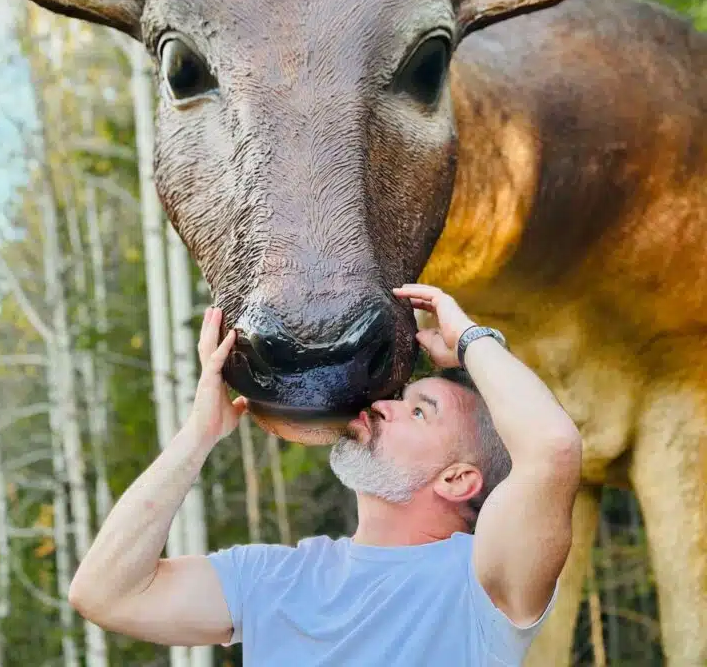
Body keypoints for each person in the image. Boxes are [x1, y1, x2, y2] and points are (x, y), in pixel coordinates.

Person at [69, 284, 582, 666]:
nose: (384, 405)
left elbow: (552, 448)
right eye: (400, 398)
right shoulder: (271, 580)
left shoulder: (481, 581)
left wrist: (471, 339)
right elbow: (105, 593)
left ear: (456, 480)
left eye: (420, 411)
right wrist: (196, 437)